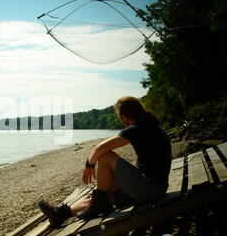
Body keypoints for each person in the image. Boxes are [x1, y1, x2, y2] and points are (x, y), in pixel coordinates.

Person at [38, 96, 172, 228]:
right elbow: (147, 164)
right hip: (152, 188)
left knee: (105, 156)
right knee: (104, 192)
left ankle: (100, 203)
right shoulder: (149, 126)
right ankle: (60, 214)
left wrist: (89, 164)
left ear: (124, 116)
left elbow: (100, 148)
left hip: (150, 190)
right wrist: (116, 181)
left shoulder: (138, 128)